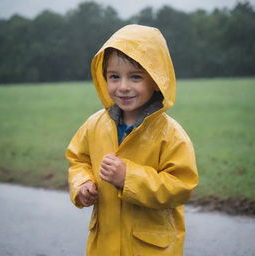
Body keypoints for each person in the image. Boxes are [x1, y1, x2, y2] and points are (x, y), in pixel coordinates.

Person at [66, 24, 199, 256]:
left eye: (135, 77)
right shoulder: (94, 124)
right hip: (103, 246)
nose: (123, 87)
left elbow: (181, 186)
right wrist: (83, 184)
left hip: (150, 249)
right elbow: (78, 160)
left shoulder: (171, 134)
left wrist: (128, 178)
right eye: (114, 77)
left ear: (156, 80)